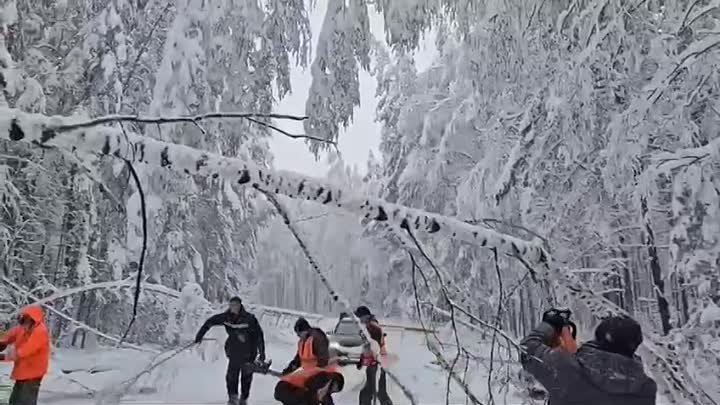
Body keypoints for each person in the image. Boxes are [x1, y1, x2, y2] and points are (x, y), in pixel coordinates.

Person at [520, 308, 657, 405]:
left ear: (598, 339)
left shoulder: (566, 368)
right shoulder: (646, 389)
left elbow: (528, 349)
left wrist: (549, 324)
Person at [195, 296, 266, 405]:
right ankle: (233, 397)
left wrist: (262, 354)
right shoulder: (226, 317)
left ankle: (244, 398)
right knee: (231, 376)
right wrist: (199, 336)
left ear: (240, 305)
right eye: (231, 305)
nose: (233, 307)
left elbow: (259, 336)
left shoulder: (249, 319)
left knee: (246, 377)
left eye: (235, 305)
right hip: (234, 352)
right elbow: (210, 322)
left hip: (249, 352)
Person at [0, 305, 50, 405]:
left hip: (33, 374)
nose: (23, 322)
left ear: (33, 319)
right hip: (22, 371)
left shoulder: (40, 332)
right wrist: (2, 342)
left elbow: (24, 352)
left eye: (26, 319)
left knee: (25, 401)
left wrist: (4, 357)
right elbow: (11, 335)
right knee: (15, 400)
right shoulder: (23, 328)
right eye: (23, 318)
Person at [354, 306, 393, 405]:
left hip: (377, 364)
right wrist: (361, 360)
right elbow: (368, 347)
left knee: (369, 393)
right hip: (375, 363)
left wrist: (375, 362)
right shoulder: (368, 326)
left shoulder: (372, 327)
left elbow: (374, 347)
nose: (359, 321)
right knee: (378, 392)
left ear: (365, 317)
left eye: (360, 318)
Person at [274, 364, 344, 405]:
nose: (332, 391)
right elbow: (312, 389)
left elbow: (325, 397)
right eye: (334, 388)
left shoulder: (323, 376)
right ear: (334, 381)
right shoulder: (323, 377)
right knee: (310, 399)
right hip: (285, 389)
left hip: (285, 388)